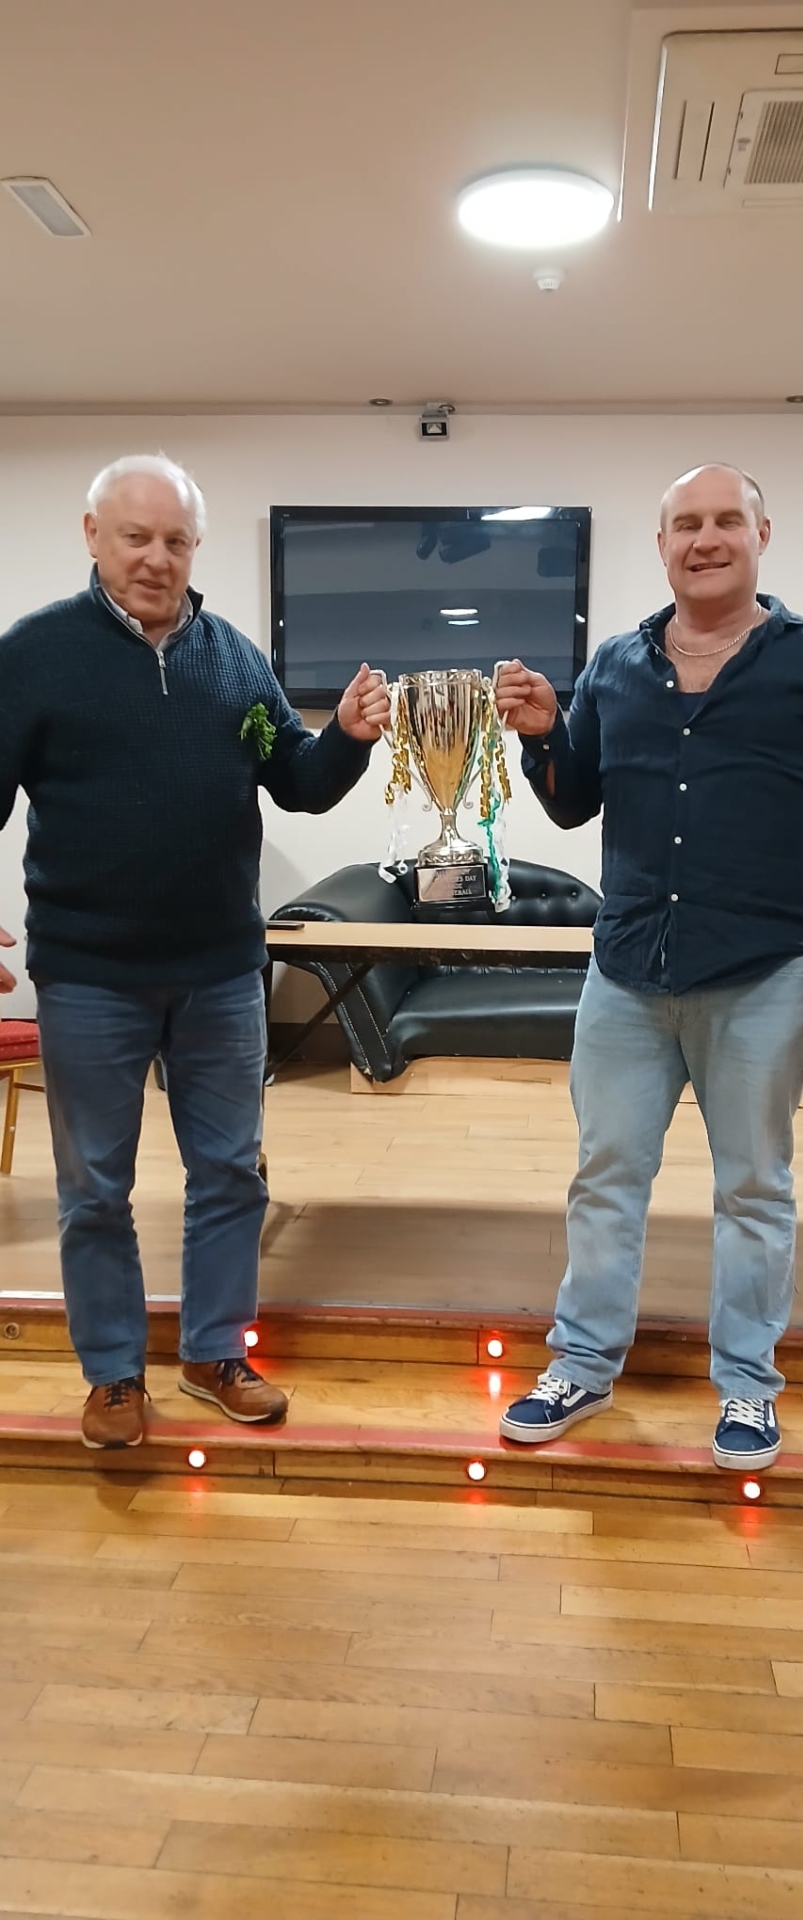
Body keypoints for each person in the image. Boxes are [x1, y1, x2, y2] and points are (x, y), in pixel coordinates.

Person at [495, 463, 803, 1469]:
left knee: (753, 1188)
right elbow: (575, 799)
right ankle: (580, 1364)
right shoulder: (616, 666)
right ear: (660, 545)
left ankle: (748, 1387)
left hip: (760, 975)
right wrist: (545, 734)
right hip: (625, 971)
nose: (703, 539)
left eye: (724, 521)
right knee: (604, 1178)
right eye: (683, 525)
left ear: (762, 532)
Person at [0, 453, 390, 1450]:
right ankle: (113, 1376)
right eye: (136, 536)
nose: (156, 558)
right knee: (95, 1188)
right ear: (93, 535)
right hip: (88, 974)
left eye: (175, 540)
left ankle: (215, 1351)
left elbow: (297, 783)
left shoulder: (232, 656)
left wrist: (343, 736)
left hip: (221, 969)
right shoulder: (34, 654)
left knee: (230, 1174)